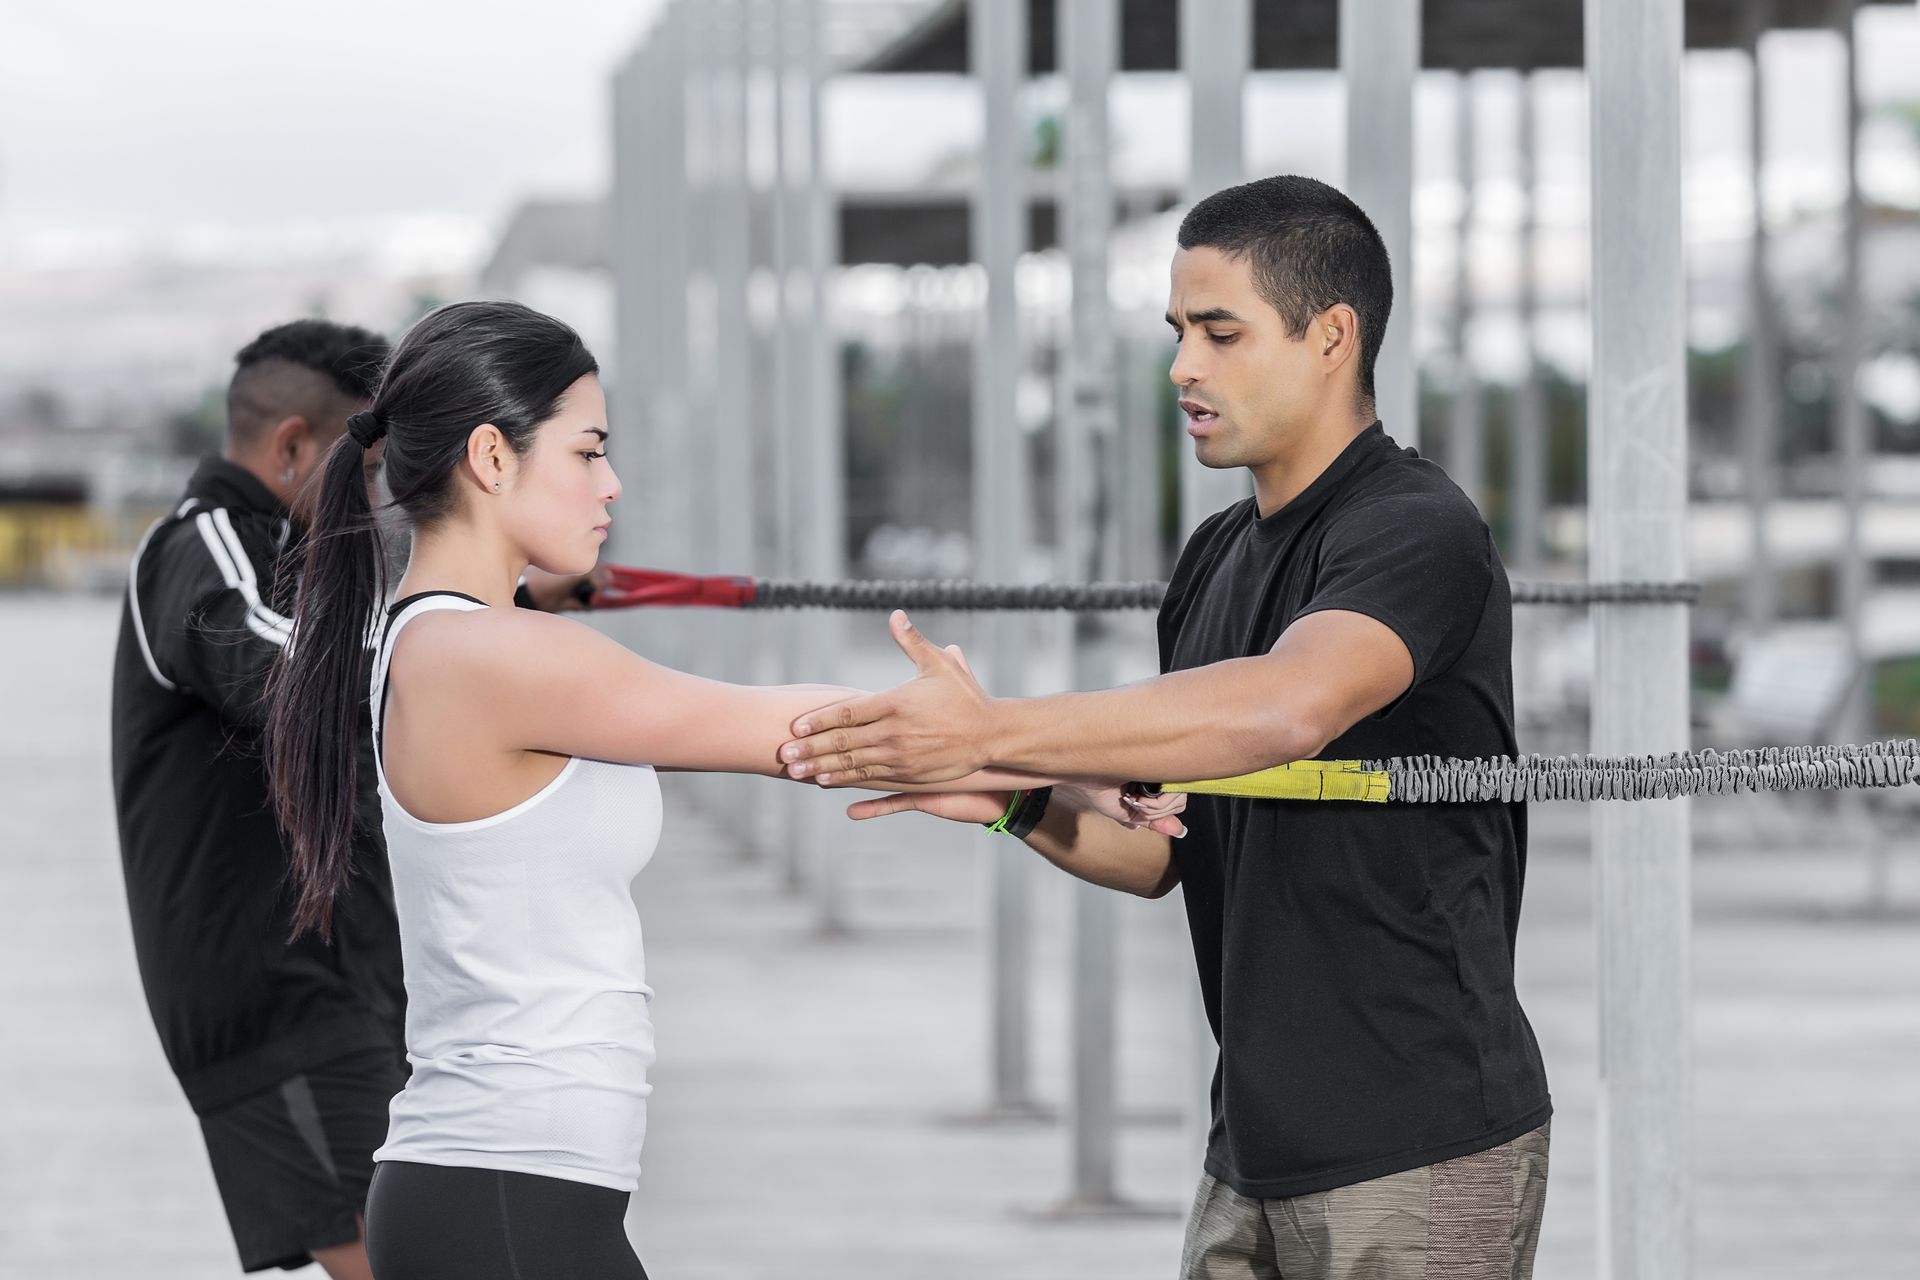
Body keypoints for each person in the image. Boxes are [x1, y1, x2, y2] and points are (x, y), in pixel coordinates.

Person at [260, 299, 1158, 1280]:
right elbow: (786, 724)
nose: (613, 484)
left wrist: (1027, 774)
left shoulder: (454, 639)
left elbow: (815, 740)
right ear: (491, 455)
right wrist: (1075, 750)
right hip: (505, 1195)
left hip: (513, 1192)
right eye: (589, 451)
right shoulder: (490, 655)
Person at [777, 176, 1553, 1280]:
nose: (1183, 366)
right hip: (1251, 1149)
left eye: (1220, 331)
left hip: (1421, 1146)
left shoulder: (1415, 529)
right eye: (1178, 332)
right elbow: (1159, 851)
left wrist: (991, 725)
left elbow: (1289, 706)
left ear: (1333, 336)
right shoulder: (1211, 562)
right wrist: (1009, 795)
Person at [109, 319, 598, 1279]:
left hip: (348, 986)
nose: (377, 496)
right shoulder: (203, 547)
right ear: (292, 446)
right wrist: (497, 650)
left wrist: (518, 611)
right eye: (365, 468)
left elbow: (394, 662)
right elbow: (309, 675)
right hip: (279, 1002)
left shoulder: (301, 561)